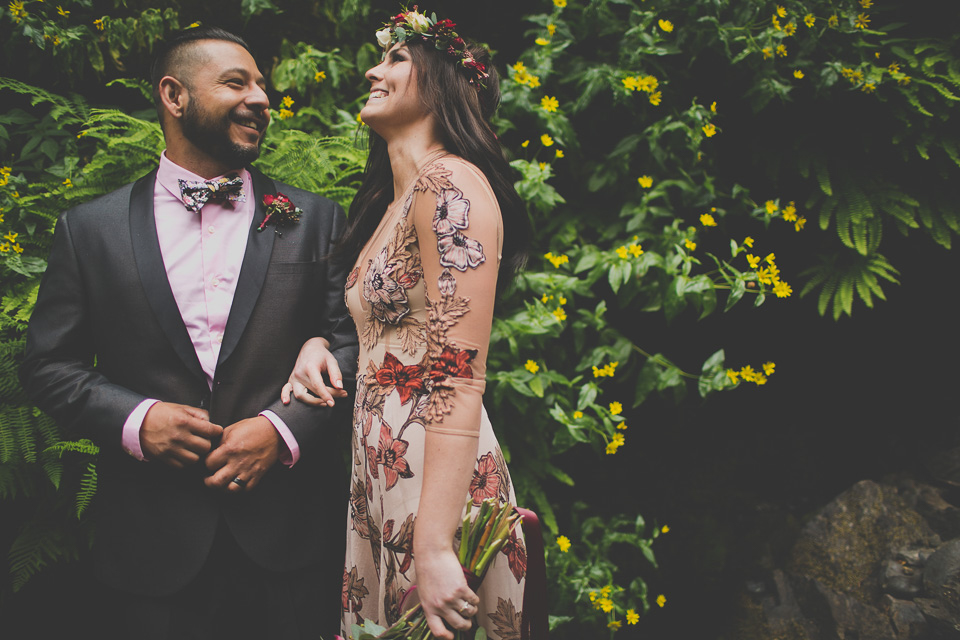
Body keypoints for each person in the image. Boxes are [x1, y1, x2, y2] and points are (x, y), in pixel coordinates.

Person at [18, 26, 357, 639]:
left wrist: (281, 431)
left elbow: (354, 346)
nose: (261, 98)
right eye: (237, 82)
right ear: (174, 95)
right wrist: (137, 419)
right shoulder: (87, 232)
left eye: (263, 85)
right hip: (149, 554)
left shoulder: (316, 220)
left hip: (290, 545)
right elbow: (47, 365)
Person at [283, 9, 530, 640]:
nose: (373, 68)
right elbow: (385, 332)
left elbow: (457, 373)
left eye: (396, 59)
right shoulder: (395, 203)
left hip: (433, 479)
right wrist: (317, 344)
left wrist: (437, 541)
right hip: (381, 470)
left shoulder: (450, 185)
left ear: (445, 82)